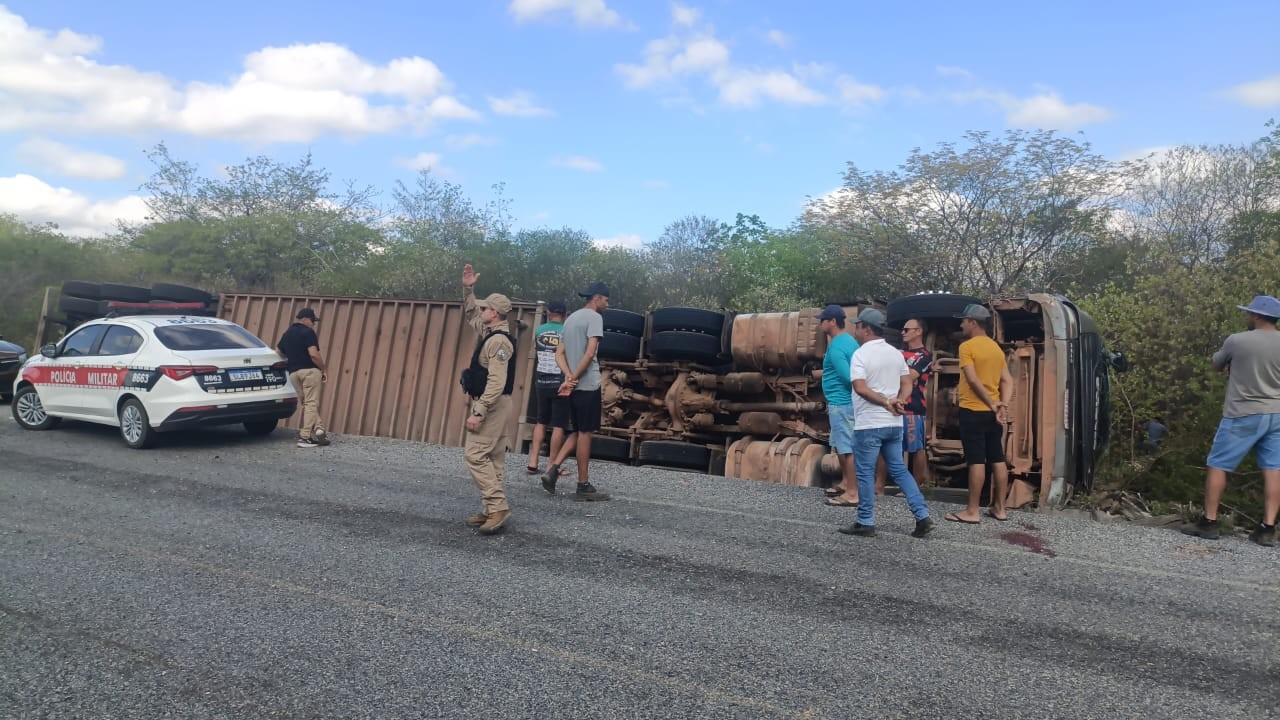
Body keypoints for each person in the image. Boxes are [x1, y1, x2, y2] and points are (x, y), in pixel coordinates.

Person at [1181, 295, 1280, 547]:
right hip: (1276, 414)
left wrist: (1234, 367)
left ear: (1256, 315)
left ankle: (1209, 522)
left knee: (1218, 464)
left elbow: (1216, 365)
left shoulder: (1237, 340)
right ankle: (1268, 528)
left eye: (1248, 312)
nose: (1246, 316)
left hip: (1243, 412)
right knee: (1273, 469)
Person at [838, 308, 934, 538]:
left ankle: (865, 521)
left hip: (869, 424)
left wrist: (885, 402)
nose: (856, 330)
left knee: (864, 473)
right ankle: (922, 516)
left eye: (858, 326)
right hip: (894, 424)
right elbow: (908, 382)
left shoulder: (861, 355)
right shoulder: (895, 354)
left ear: (867, 329)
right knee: (899, 470)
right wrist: (900, 400)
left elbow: (860, 387)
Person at [460, 264, 517, 535]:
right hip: (496, 403)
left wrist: (479, 410)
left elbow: (496, 381)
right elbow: (470, 313)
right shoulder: (490, 334)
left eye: (485, 308)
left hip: (492, 404)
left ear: (494, 313)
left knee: (474, 454)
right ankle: (490, 508)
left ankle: (498, 507)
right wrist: (468, 289)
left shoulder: (499, 342)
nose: (481, 311)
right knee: (493, 458)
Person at [944, 304, 1013, 525]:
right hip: (993, 415)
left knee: (976, 461)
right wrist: (1001, 405)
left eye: (963, 320)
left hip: (973, 411)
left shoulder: (967, 347)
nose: (961, 324)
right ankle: (1000, 508)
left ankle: (972, 511)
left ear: (973, 322)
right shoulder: (996, 348)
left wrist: (992, 403)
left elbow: (972, 380)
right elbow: (1007, 380)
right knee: (997, 458)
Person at [541, 281, 611, 500]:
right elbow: (590, 353)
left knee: (578, 429)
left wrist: (568, 376)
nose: (607, 304)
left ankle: (553, 470)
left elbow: (558, 353)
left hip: (572, 385)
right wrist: (576, 377)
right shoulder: (595, 318)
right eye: (606, 300)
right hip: (588, 384)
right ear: (596, 298)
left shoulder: (570, 319)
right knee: (585, 432)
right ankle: (583, 485)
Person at [817, 304, 860, 507]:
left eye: (822, 320)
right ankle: (845, 483)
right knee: (840, 445)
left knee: (847, 448)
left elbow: (848, 376)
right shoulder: (850, 341)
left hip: (842, 403)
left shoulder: (836, 346)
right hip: (842, 402)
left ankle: (852, 493)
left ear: (833, 322)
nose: (820, 324)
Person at [526, 300, 575, 475]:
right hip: (560, 382)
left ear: (548, 313)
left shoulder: (540, 330)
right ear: (565, 315)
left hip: (541, 381)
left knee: (541, 421)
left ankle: (533, 461)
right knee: (558, 425)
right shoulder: (567, 332)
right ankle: (551, 465)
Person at [277, 308, 330, 449]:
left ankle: (319, 428)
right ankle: (305, 437)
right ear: (305, 319)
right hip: (309, 371)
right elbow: (314, 354)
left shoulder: (287, 333)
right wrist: (324, 369)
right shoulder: (308, 332)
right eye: (313, 321)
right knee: (311, 403)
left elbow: (279, 351)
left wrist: (292, 357)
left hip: (294, 374)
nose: (313, 324)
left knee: (307, 403)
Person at [899, 318, 933, 486]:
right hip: (895, 405)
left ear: (919, 332)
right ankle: (883, 485)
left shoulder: (924, 356)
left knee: (916, 448)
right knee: (891, 446)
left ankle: (916, 485)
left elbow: (910, 377)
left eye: (907, 330)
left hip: (913, 407)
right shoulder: (899, 353)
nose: (902, 332)